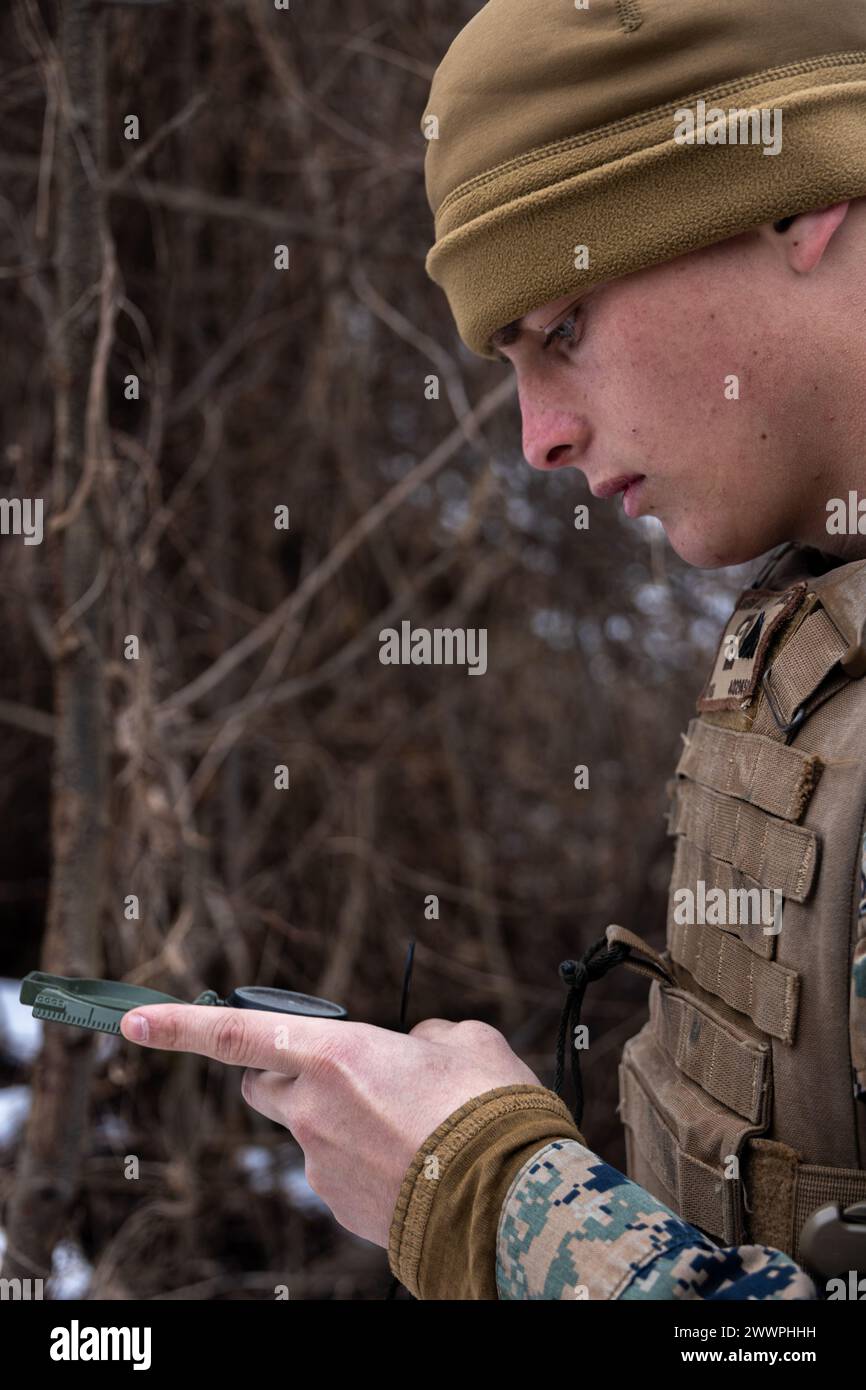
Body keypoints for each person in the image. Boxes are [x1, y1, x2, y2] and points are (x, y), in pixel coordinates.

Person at [121, 0, 866, 1299]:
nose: (536, 439)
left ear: (795, 202)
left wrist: (487, 1198)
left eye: (561, 327)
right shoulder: (812, 605)